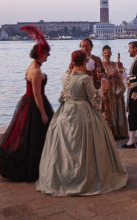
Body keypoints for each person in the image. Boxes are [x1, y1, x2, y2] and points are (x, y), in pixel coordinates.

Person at [36, 50, 128, 196]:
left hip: (64, 113)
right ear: (85, 61)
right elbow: (96, 103)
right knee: (84, 146)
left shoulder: (65, 76)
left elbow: (64, 96)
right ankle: (87, 176)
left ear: (72, 61)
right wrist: (102, 88)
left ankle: (64, 177)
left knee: (65, 146)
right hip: (83, 113)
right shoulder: (85, 79)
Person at [0, 25, 54, 182]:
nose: (48, 56)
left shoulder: (31, 67)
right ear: (40, 54)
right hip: (35, 105)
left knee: (24, 137)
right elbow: (38, 95)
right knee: (36, 138)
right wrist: (44, 114)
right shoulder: (37, 72)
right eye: (46, 54)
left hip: (27, 103)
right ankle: (36, 169)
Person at [101, 45, 128, 139]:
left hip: (116, 89)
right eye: (105, 53)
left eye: (109, 53)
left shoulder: (114, 63)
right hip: (108, 90)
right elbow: (102, 77)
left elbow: (122, 74)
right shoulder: (101, 64)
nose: (107, 54)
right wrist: (110, 75)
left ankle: (120, 132)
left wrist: (118, 74)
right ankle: (111, 132)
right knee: (109, 111)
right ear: (102, 54)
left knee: (118, 109)